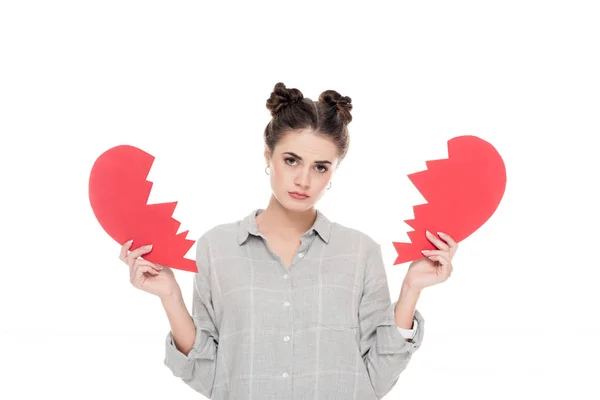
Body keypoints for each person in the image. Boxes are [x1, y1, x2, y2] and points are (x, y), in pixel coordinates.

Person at [119, 82, 457, 399]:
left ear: (334, 171)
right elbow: (211, 377)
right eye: (291, 160)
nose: (304, 179)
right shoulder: (216, 248)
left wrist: (412, 289)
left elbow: (377, 380)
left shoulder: (360, 252)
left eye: (321, 167)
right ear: (268, 155)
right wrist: (170, 295)